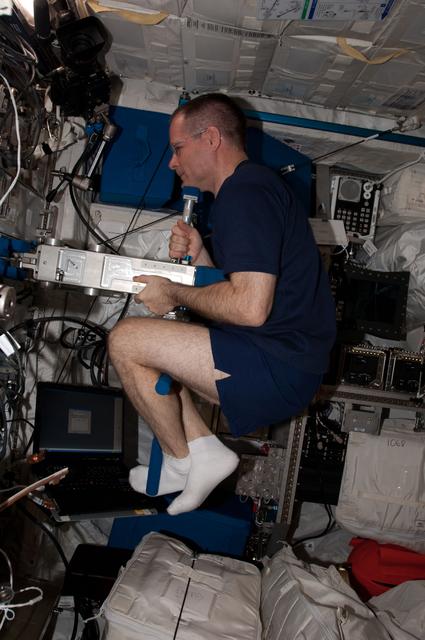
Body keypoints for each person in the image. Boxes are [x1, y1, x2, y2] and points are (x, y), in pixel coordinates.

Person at [108, 93, 336, 516]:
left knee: (125, 340)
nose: (172, 163)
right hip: (281, 358)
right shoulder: (247, 192)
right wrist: (200, 255)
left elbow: (249, 308)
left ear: (210, 138)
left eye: (178, 148)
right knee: (155, 354)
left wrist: (172, 292)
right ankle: (200, 452)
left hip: (279, 362)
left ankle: (180, 461)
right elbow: (239, 294)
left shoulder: (246, 193)